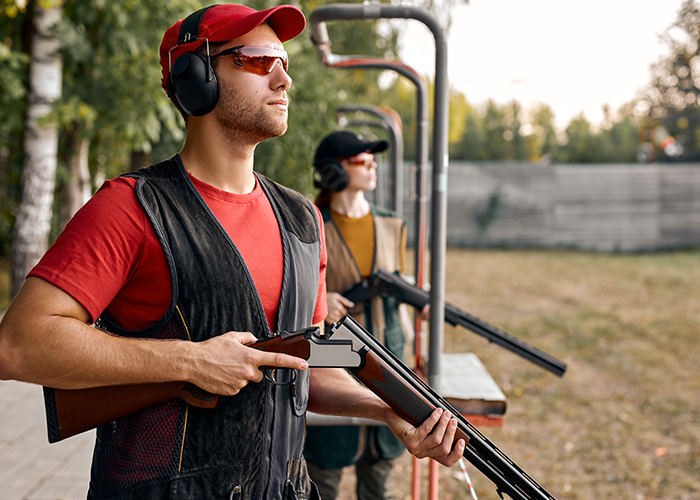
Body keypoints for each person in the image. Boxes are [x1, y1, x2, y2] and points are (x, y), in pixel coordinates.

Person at [0, 5, 465, 500]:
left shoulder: (303, 218)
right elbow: (18, 345)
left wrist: (383, 405)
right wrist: (189, 361)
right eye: (261, 60)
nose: (284, 80)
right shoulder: (132, 207)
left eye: (286, 62)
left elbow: (306, 358)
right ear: (196, 75)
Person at [305, 131, 421, 500]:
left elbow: (398, 305)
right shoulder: (309, 224)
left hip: (390, 366)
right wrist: (321, 298)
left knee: (380, 481)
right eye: (360, 158)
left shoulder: (392, 224)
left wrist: (418, 351)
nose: (372, 163)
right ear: (332, 170)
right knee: (322, 481)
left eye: (373, 157)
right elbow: (291, 295)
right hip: (332, 370)